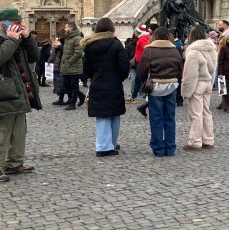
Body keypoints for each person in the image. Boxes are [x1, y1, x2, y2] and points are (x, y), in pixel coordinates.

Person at [0, 8, 41, 181]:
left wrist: (28, 38)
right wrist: (11, 39)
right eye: (15, 23)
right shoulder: (9, 39)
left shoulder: (18, 38)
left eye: (19, 22)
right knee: (2, 132)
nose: (19, 25)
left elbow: (35, 57)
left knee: (19, 132)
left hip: (19, 91)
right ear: (3, 24)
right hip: (4, 93)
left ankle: (14, 163)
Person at [81, 18, 128, 157]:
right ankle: (109, 144)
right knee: (114, 114)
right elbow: (124, 65)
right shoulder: (116, 44)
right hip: (114, 83)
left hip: (97, 83)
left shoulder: (90, 46)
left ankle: (104, 145)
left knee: (102, 115)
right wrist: (119, 78)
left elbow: (86, 67)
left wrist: (94, 77)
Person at [137, 27, 183, 157]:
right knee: (170, 118)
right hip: (171, 86)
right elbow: (180, 69)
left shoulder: (149, 50)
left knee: (156, 118)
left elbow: (142, 70)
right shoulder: (174, 50)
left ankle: (158, 148)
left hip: (155, 86)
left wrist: (145, 82)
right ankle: (170, 147)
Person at [181, 26, 217, 149]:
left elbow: (190, 74)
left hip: (198, 84)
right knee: (206, 112)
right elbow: (213, 69)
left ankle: (195, 141)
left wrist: (186, 91)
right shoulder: (212, 49)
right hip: (207, 82)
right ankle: (208, 139)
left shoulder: (193, 51)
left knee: (196, 114)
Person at [60, 21, 85, 111]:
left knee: (74, 86)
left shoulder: (78, 38)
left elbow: (78, 53)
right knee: (66, 85)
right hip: (66, 66)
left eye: (66, 27)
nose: (65, 29)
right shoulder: (67, 38)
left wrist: (69, 61)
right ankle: (81, 96)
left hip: (74, 67)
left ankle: (72, 103)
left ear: (70, 28)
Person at [48, 37, 65, 105]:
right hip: (59, 65)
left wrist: (49, 61)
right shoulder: (62, 47)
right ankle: (61, 97)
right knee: (60, 81)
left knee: (57, 80)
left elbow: (52, 56)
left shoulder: (56, 48)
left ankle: (59, 94)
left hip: (57, 65)